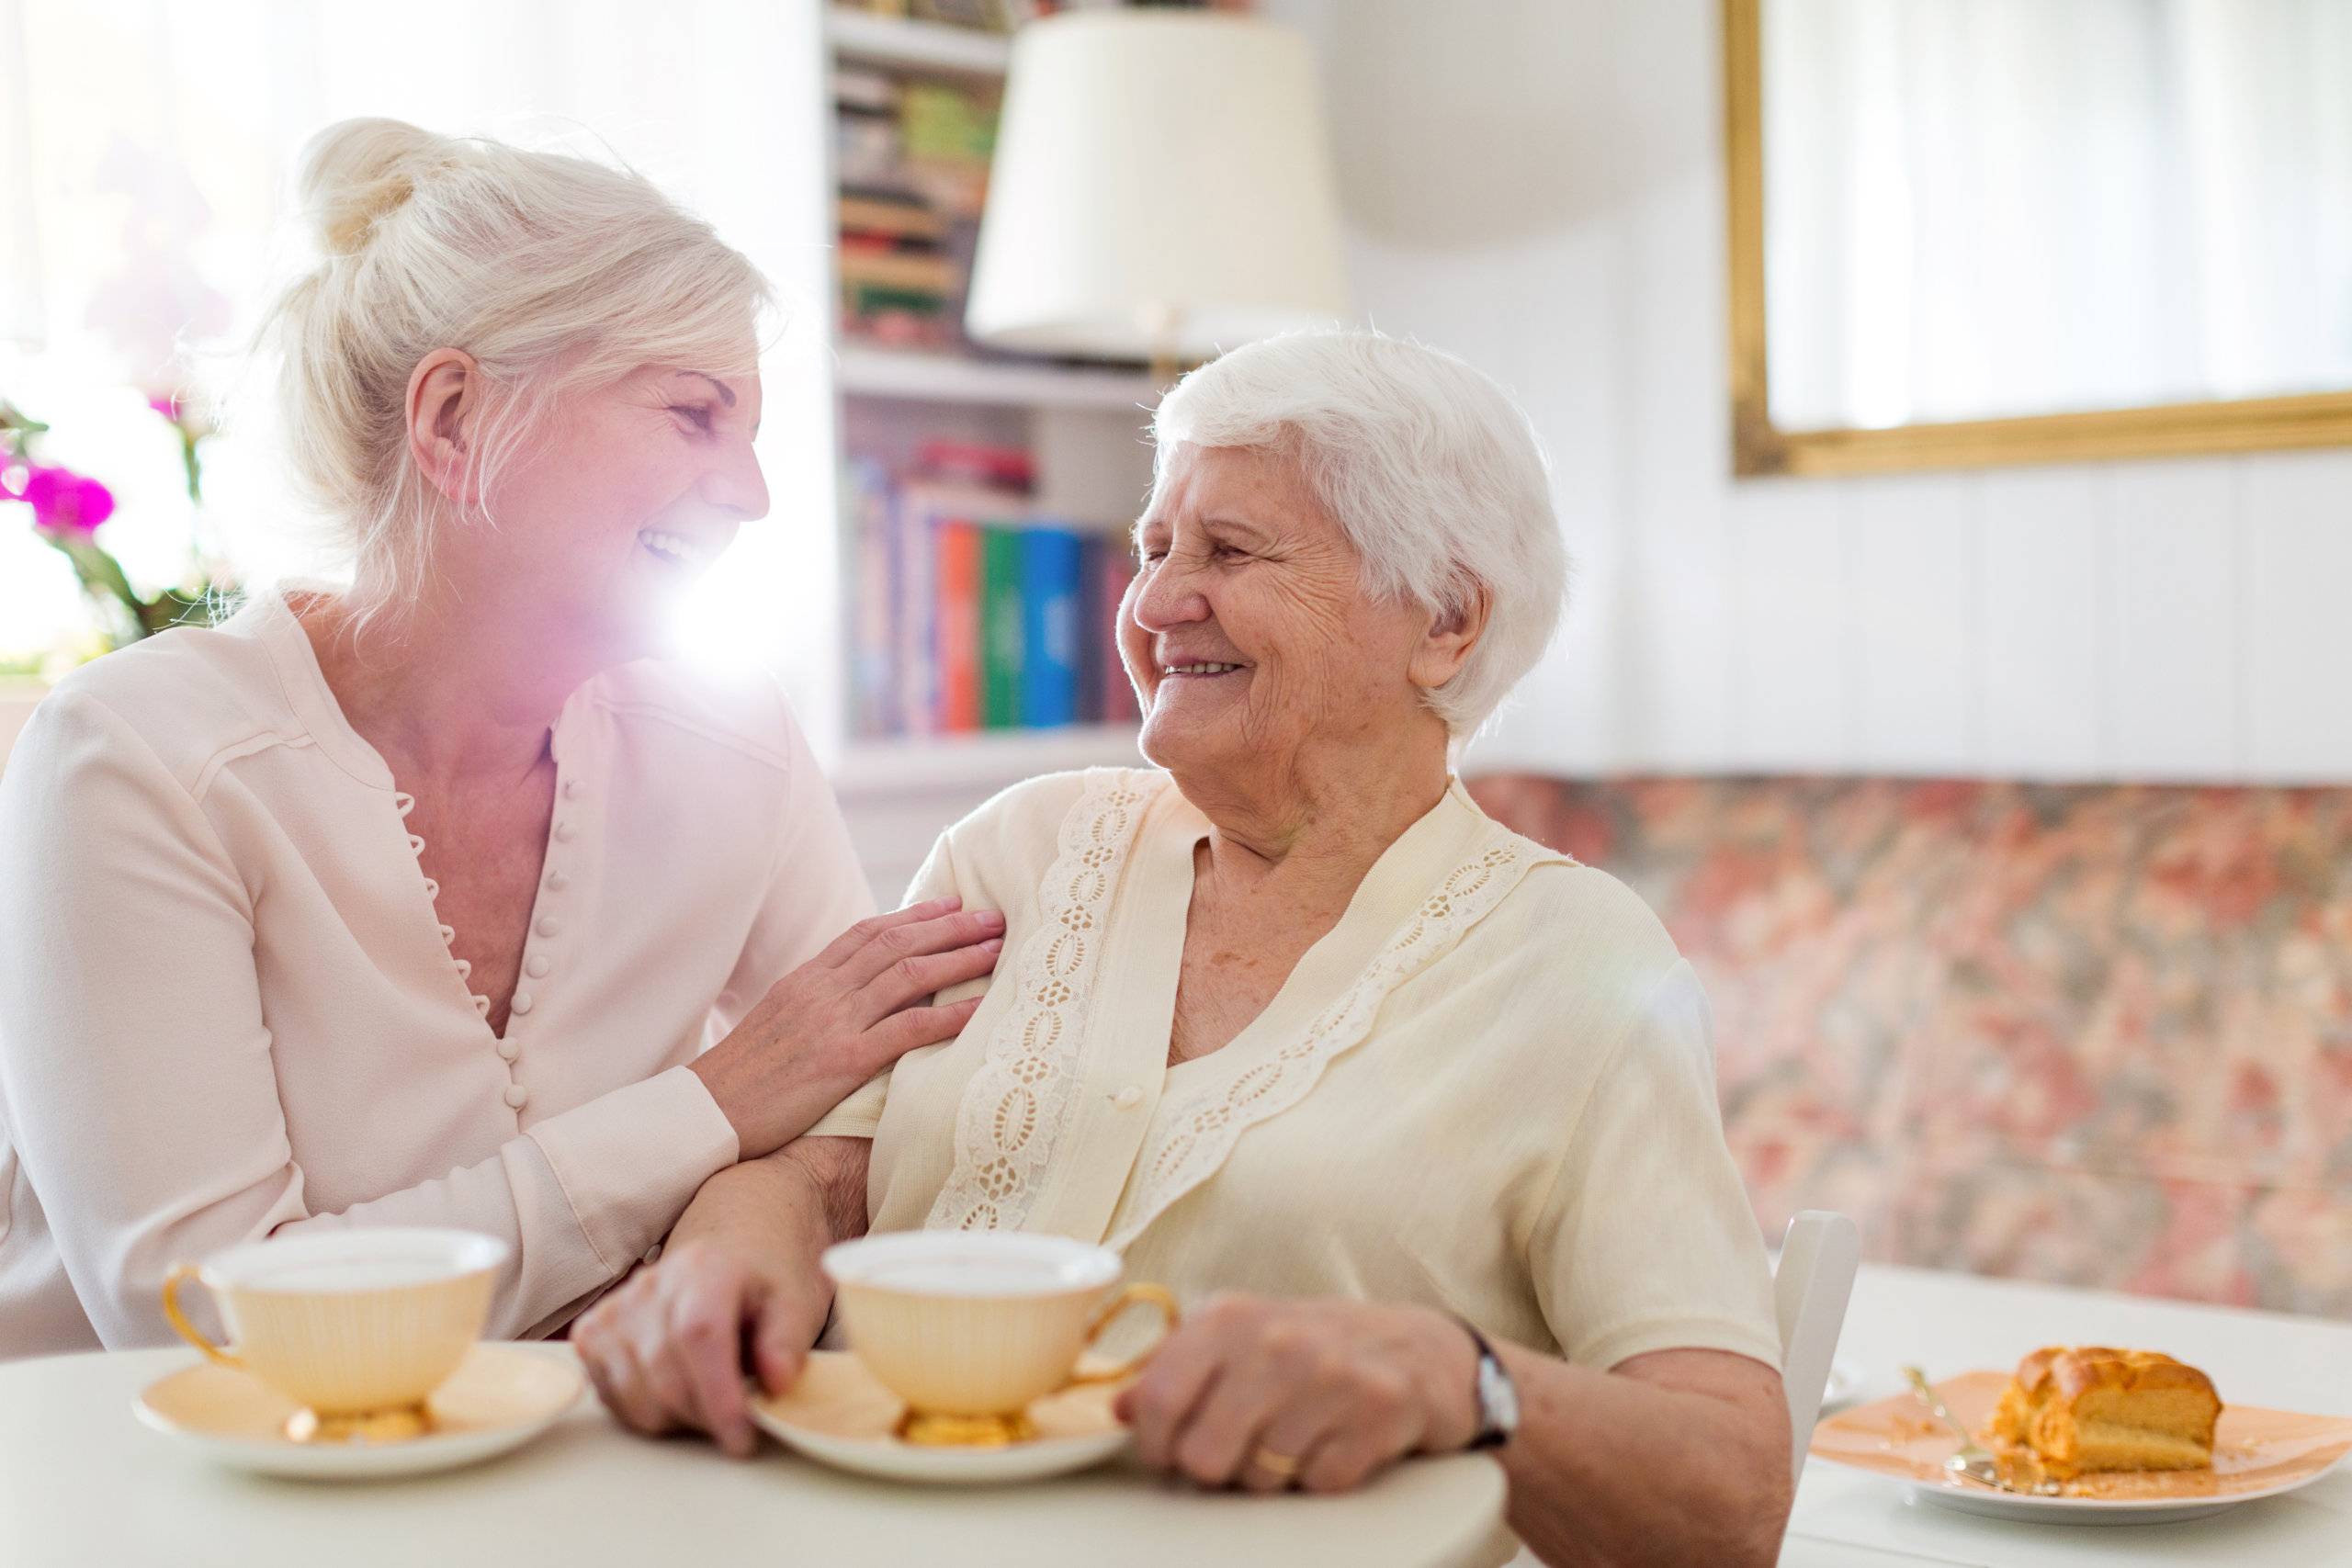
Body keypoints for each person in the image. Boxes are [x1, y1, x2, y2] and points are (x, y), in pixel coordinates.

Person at [579, 330, 1794, 1566]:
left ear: (1444, 619)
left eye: (1231, 551)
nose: (1155, 603)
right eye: (1154, 548)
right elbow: (824, 1168)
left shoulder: (1574, 964)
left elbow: (1732, 1501)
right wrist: (726, 1259)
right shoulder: (1020, 849)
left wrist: (1460, 1378)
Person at [0, 118, 999, 1359]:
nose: (751, 494)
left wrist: (751, 1211)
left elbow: (877, 1092)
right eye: (693, 415)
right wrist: (712, 1108)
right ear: (457, 421)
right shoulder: (137, 762)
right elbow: (214, 1323)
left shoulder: (733, 742)